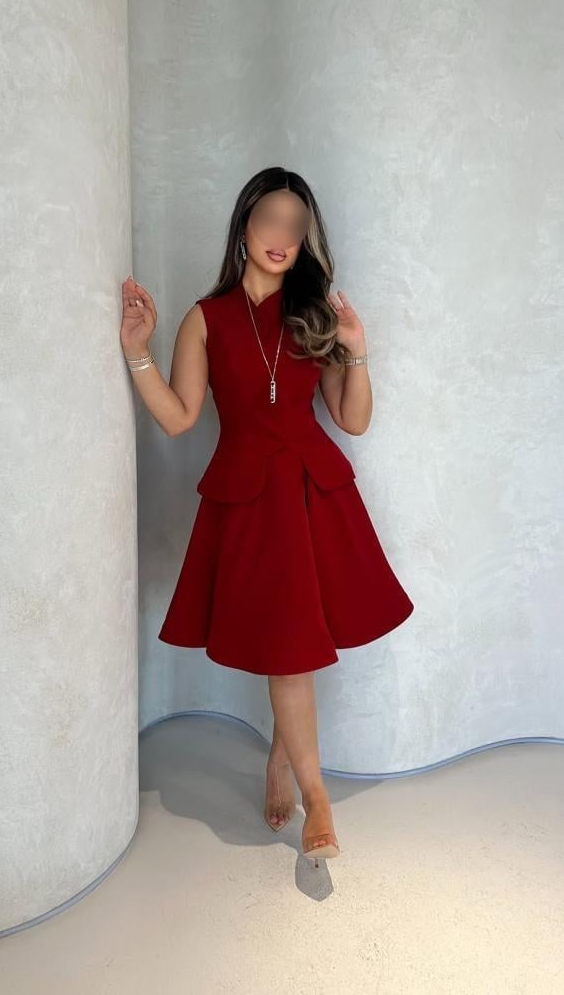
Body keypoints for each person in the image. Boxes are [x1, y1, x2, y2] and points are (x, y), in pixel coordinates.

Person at [120, 166, 414, 866]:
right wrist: (136, 353)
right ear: (244, 227)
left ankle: (296, 778)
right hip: (252, 500)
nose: (282, 236)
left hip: (315, 494)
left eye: (295, 226)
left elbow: (352, 419)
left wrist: (357, 348)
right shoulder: (206, 318)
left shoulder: (314, 314)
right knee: (290, 648)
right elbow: (179, 418)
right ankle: (314, 793)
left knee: (295, 649)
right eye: (269, 220)